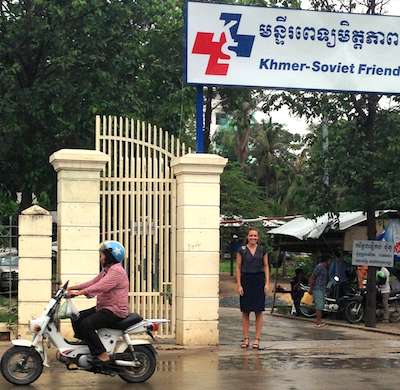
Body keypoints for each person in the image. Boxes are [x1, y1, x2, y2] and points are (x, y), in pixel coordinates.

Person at [66, 240, 129, 364]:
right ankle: (87, 344)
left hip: (114, 310)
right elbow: (93, 282)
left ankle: (102, 354)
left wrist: (79, 293)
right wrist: (72, 288)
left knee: (86, 324)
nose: (100, 259)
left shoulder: (116, 271)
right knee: (77, 317)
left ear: (110, 256)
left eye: (102, 256)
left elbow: (100, 286)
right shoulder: (107, 270)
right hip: (104, 307)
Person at [236, 227, 269, 349]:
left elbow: (266, 266)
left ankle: (257, 339)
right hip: (246, 280)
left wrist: (267, 283)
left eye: (255, 236)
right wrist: (239, 285)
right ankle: (246, 339)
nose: (253, 238)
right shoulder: (242, 250)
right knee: (245, 311)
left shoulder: (262, 250)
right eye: (251, 236)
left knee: (258, 311)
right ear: (247, 237)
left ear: (258, 237)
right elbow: (238, 268)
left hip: (259, 280)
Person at [309, 252, 331, 328]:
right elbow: (313, 277)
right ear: (327, 260)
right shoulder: (320, 267)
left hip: (322, 288)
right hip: (317, 288)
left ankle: (320, 321)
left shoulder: (324, 267)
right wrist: (311, 288)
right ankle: (318, 322)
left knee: (321, 305)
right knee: (319, 305)